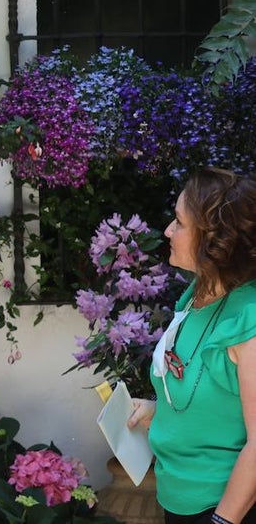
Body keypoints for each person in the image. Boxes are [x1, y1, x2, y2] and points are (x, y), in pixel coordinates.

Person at [128, 168, 256, 524]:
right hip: (180, 500)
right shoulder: (195, 296)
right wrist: (158, 409)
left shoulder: (249, 320)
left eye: (180, 223)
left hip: (225, 511)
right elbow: (208, 392)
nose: (168, 230)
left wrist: (223, 520)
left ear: (218, 241)